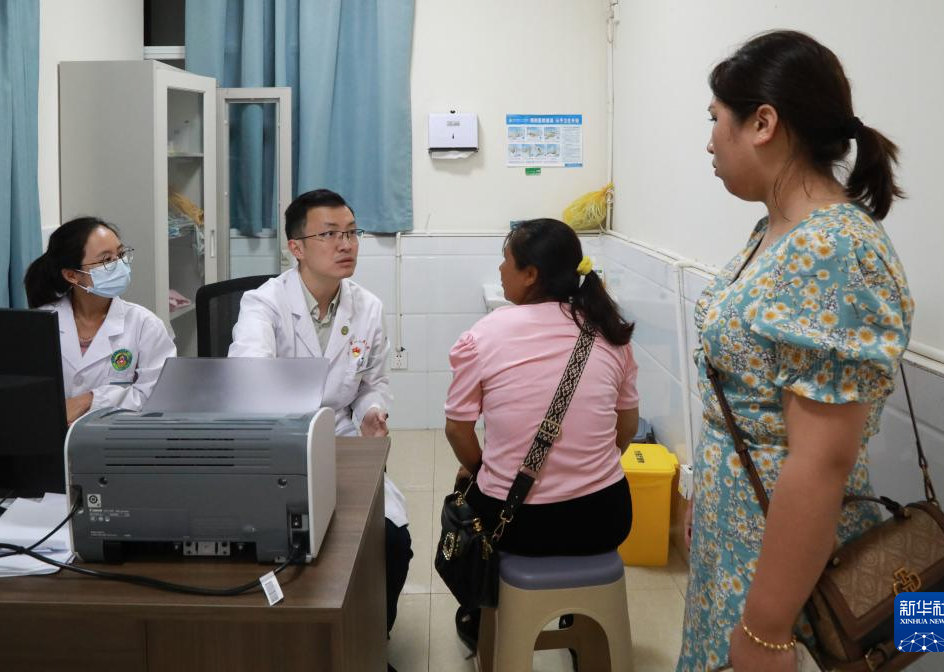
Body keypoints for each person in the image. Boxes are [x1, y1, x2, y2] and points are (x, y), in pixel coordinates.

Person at [678, 30, 913, 671]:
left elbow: (822, 462)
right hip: (741, 535)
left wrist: (766, 631)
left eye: (715, 119)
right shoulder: (776, 229)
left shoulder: (834, 248)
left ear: (763, 123)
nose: (709, 141)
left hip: (784, 573)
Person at [444, 218, 639, 652]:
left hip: (517, 524)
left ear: (530, 274)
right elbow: (626, 428)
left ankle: (478, 608)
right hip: (606, 517)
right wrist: (589, 465)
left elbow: (457, 430)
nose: (500, 270)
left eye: (506, 260)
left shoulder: (484, 335)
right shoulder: (609, 331)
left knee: (463, 483)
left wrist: (483, 469)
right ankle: (582, 619)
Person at [228, 188, 412, 642]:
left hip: (342, 441)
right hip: (277, 444)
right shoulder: (264, 304)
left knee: (392, 541)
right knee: (291, 542)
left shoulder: (367, 307)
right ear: (297, 247)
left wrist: (371, 413)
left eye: (351, 232)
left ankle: (371, 642)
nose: (346, 244)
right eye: (329, 234)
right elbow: (249, 376)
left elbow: (372, 383)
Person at [24, 217, 176, 423]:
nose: (120, 264)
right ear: (72, 275)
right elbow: (26, 394)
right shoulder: (39, 324)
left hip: (116, 438)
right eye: (106, 260)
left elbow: (159, 396)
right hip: (51, 436)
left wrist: (90, 400)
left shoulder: (145, 324)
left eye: (120, 254)